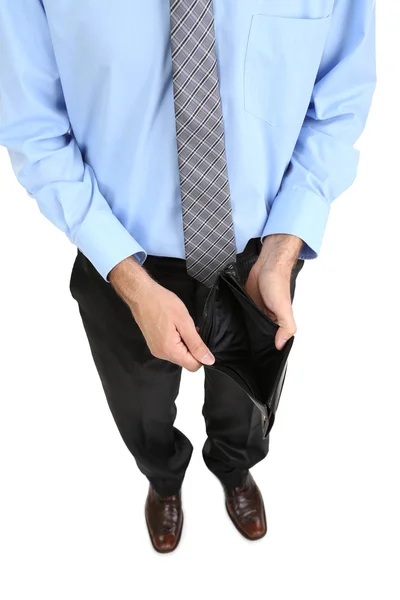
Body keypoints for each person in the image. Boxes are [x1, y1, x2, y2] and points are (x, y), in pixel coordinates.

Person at [0, 0, 376, 553]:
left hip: (261, 253)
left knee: (246, 401)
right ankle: (164, 478)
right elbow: (34, 128)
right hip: (122, 258)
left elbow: (339, 97)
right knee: (139, 404)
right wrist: (128, 276)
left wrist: (283, 247)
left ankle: (235, 469)